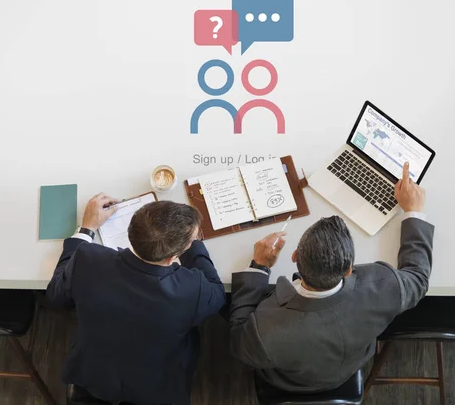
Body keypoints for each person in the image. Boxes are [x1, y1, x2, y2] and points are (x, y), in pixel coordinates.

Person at [229, 162, 434, 393]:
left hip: (288, 379)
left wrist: (259, 267)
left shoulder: (265, 328)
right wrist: (413, 211)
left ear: (295, 257)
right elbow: (418, 278)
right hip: (351, 364)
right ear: (348, 269)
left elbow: (238, 339)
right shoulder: (383, 287)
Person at [47, 195, 226, 405]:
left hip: (95, 376)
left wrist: (86, 229)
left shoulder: (87, 258)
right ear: (171, 257)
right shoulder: (192, 289)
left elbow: (56, 295)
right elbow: (217, 293)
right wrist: (191, 243)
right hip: (155, 389)